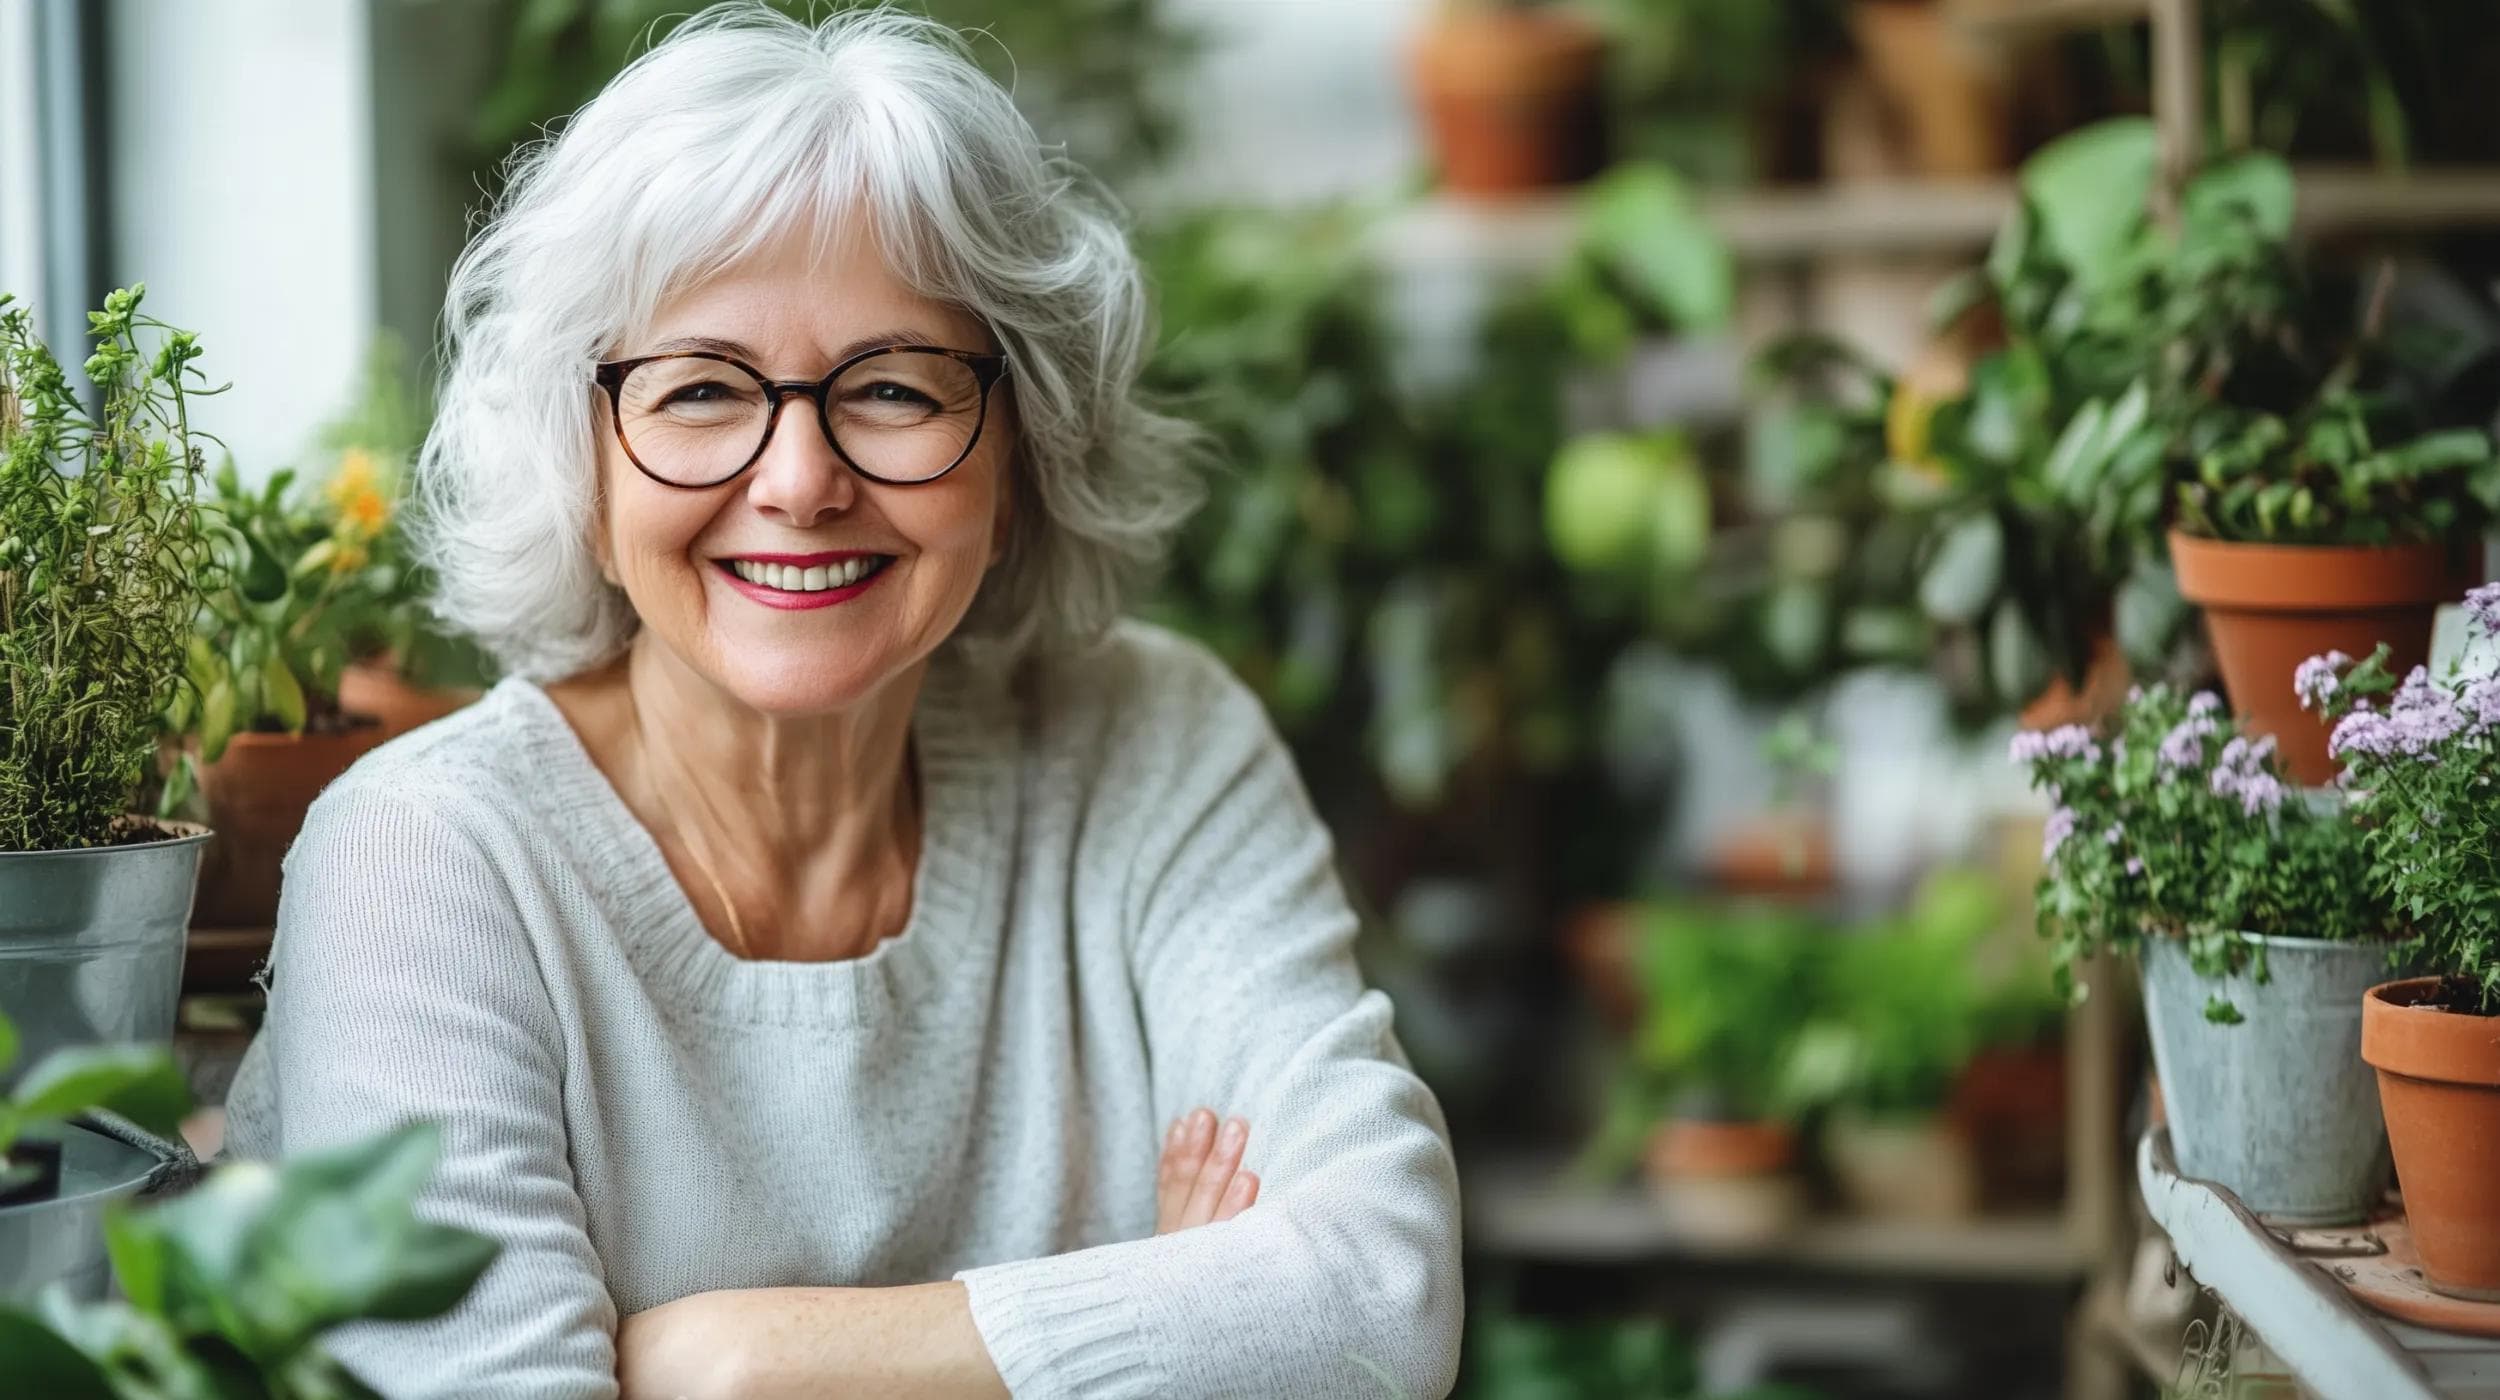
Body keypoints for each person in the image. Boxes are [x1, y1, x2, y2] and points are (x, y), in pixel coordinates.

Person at [221, 7, 1463, 1397]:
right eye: (699, 389)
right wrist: (1158, 1322)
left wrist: (733, 1362)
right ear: (586, 465)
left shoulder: (1152, 745)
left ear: (1023, 452)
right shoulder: (429, 861)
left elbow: (1379, 1295)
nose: (800, 479)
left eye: (890, 387)